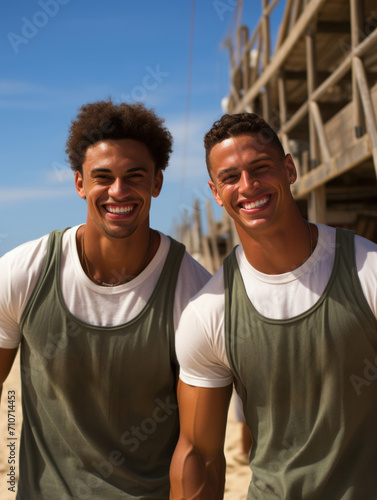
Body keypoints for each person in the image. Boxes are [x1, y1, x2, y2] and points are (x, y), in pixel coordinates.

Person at [0, 99, 211, 499]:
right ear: (80, 183)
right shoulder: (22, 273)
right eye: (103, 177)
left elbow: (198, 449)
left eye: (135, 176)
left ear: (157, 183)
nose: (118, 191)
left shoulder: (194, 292)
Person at [170, 112, 377, 499]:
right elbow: (199, 453)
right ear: (216, 193)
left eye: (260, 168)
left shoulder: (368, 271)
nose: (248, 186)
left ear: (290, 168)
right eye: (230, 177)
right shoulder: (207, 314)